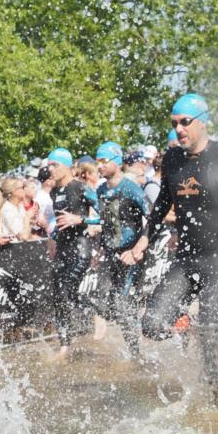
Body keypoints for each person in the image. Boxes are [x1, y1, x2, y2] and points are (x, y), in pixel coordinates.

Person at [128, 93, 218, 407]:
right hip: (186, 260)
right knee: (152, 324)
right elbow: (162, 206)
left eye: (185, 122)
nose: (179, 128)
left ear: (202, 122)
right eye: (174, 123)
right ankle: (200, 329)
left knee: (211, 353)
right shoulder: (172, 160)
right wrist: (144, 239)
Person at [90, 141, 148, 359]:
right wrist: (99, 250)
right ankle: (133, 349)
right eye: (98, 162)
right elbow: (106, 222)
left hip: (131, 255)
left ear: (116, 162)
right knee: (104, 299)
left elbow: (152, 218)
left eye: (104, 161)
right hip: (110, 254)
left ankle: (137, 353)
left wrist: (138, 249)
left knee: (123, 303)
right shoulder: (101, 189)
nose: (100, 166)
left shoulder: (130, 188)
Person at [50, 148, 95, 356]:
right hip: (62, 249)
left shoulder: (81, 187)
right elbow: (59, 221)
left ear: (67, 166)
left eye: (55, 165)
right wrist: (52, 238)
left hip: (81, 249)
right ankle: (64, 345)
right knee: (57, 296)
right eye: (49, 165)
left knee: (67, 292)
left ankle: (95, 309)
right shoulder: (54, 191)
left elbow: (107, 216)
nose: (51, 169)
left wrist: (80, 220)